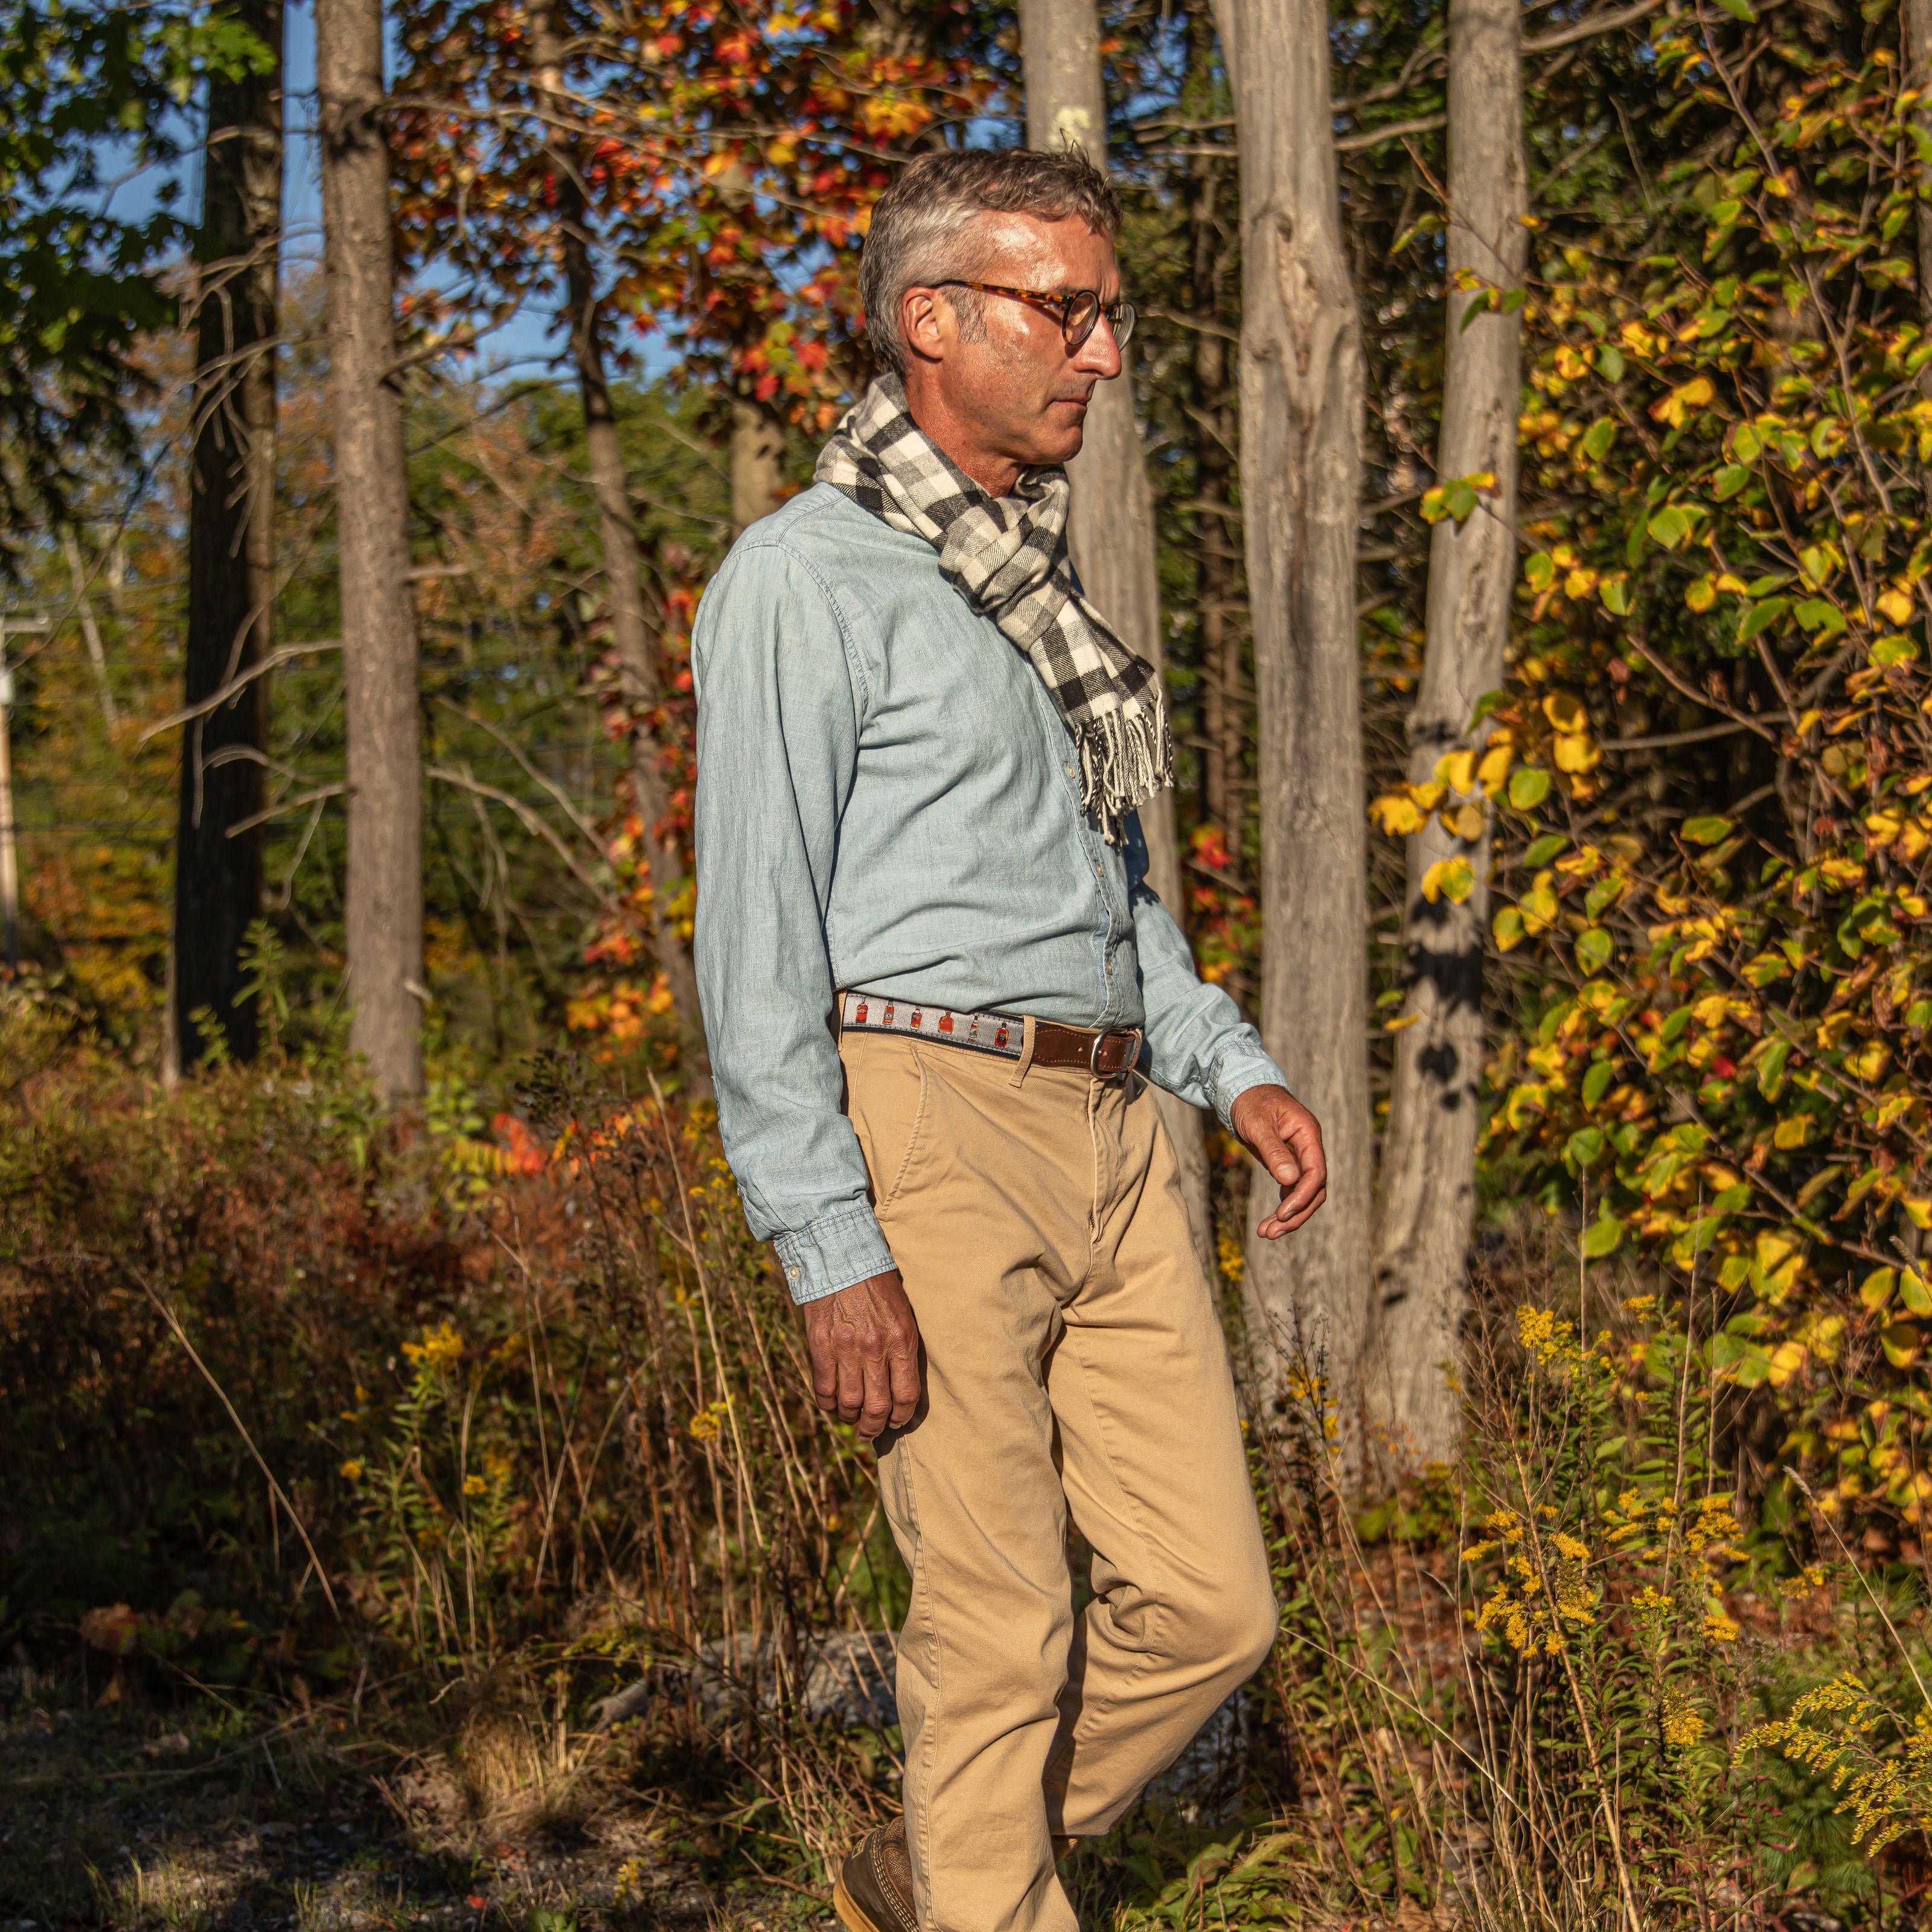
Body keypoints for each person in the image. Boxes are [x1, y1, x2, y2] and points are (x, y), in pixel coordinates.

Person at [691, 146, 1328, 1932]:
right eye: (1070, 310)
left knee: (1212, 1606)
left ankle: (946, 1871)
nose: (1103, 352)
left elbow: (1103, 894)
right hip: (931, 1115)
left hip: (1120, 1128)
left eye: (1107, 314)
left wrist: (1230, 1061)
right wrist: (829, 1247)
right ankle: (987, 1892)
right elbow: (751, 945)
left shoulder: (1031, 596)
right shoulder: (803, 581)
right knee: (994, 1621)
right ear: (930, 322)